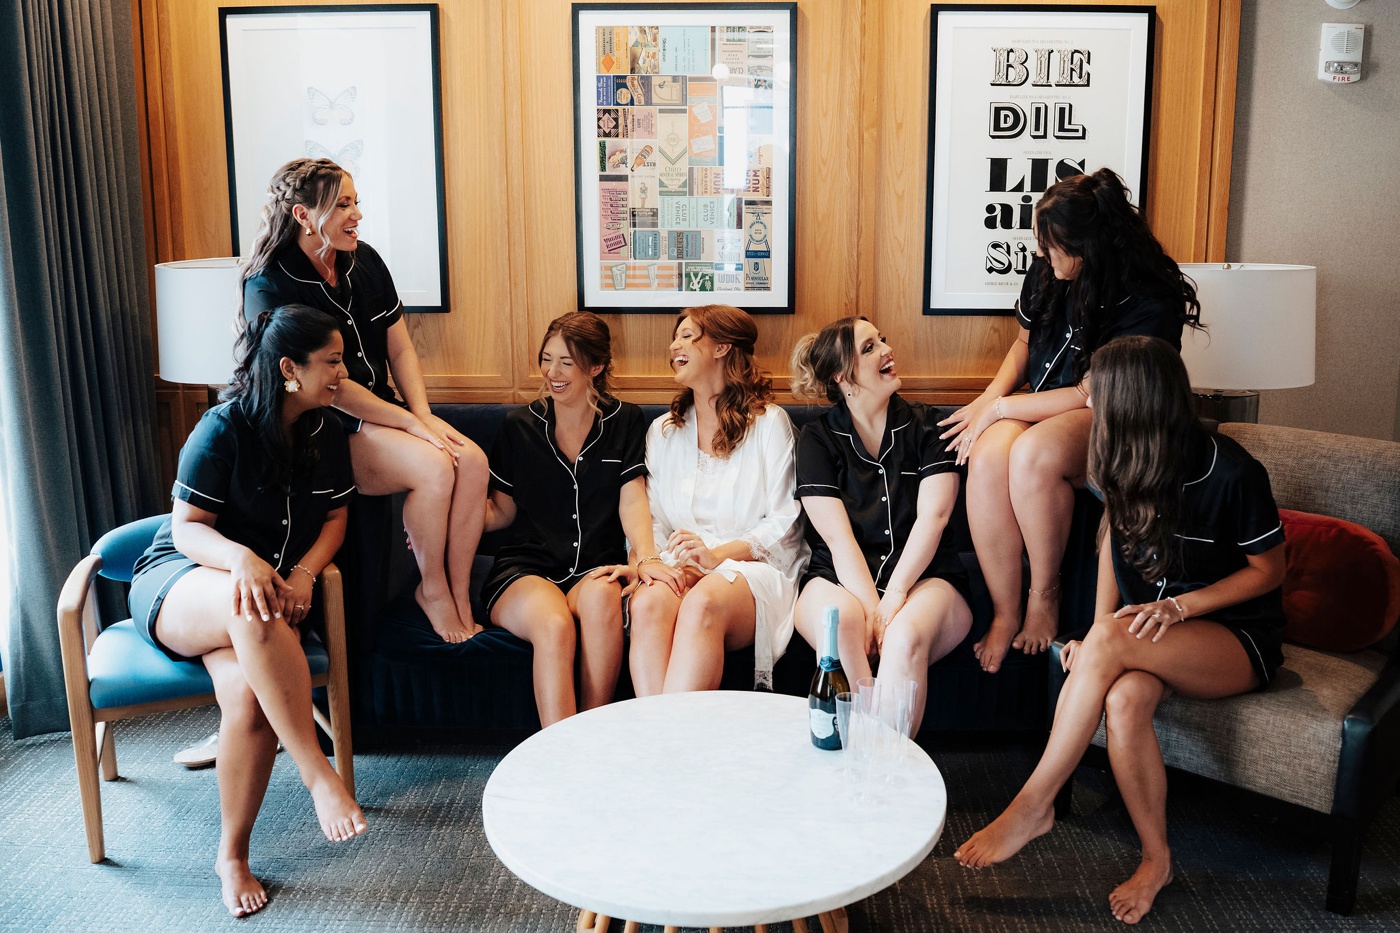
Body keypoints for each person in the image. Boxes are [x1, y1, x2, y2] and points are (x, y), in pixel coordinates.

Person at [953, 335, 1287, 925]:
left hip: (1231, 635)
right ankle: (1156, 861)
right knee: (1125, 700)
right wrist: (1103, 628)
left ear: (1132, 404)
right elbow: (1112, 534)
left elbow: (1269, 570)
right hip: (1147, 627)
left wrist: (1178, 611)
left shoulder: (1231, 471)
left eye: (1096, 398)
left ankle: (1033, 805)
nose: (1087, 409)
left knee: (1106, 643)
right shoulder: (1116, 456)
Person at [129, 305, 369, 917]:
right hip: (181, 584)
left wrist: (304, 571)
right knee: (254, 605)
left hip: (257, 599)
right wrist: (242, 561)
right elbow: (185, 531)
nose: (343, 372)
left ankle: (231, 856)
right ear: (290, 368)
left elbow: (336, 519)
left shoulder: (327, 432)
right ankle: (320, 777)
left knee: (248, 701)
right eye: (333, 362)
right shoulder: (222, 427)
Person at [938, 167, 1201, 674]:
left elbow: (1092, 394)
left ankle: (1044, 597)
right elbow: (1022, 343)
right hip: (1039, 402)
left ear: (1087, 246)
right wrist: (986, 401)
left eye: (1051, 245)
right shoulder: (1048, 270)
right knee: (991, 453)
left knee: (1033, 454)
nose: (1040, 253)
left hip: (1111, 415)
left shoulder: (1146, 295)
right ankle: (1006, 610)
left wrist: (1000, 408)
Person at [241, 157, 488, 644]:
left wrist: (422, 415)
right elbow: (330, 384)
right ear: (303, 216)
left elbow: (399, 345)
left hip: (384, 411)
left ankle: (458, 592)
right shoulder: (270, 283)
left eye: (356, 203)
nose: (357, 216)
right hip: (324, 423)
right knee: (435, 468)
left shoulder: (365, 260)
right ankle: (432, 589)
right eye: (344, 205)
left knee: (473, 462)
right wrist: (412, 426)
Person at [481, 312, 684, 726]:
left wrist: (646, 558)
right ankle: (558, 755)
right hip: (526, 570)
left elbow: (632, 499)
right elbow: (500, 511)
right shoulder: (518, 425)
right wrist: (443, 531)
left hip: (596, 565)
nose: (552, 373)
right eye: (547, 359)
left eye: (567, 363)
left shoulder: (624, 420)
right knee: (555, 626)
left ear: (596, 367)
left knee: (603, 594)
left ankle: (593, 735)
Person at [789, 317, 972, 728]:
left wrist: (894, 600)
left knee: (903, 637)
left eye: (882, 340)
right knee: (840, 625)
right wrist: (873, 609)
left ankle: (886, 772)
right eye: (870, 348)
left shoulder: (931, 426)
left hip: (928, 580)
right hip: (836, 579)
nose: (887, 350)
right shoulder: (817, 439)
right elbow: (837, 539)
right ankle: (854, 764)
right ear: (842, 376)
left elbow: (934, 518)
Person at [629, 305, 806, 693]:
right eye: (675, 337)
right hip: (680, 563)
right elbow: (654, 520)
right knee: (648, 604)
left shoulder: (769, 424)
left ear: (723, 347)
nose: (675, 345)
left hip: (752, 570)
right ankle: (663, 743)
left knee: (702, 602)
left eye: (688, 336)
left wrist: (715, 557)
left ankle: (668, 747)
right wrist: (658, 565)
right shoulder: (663, 431)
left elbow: (785, 525)